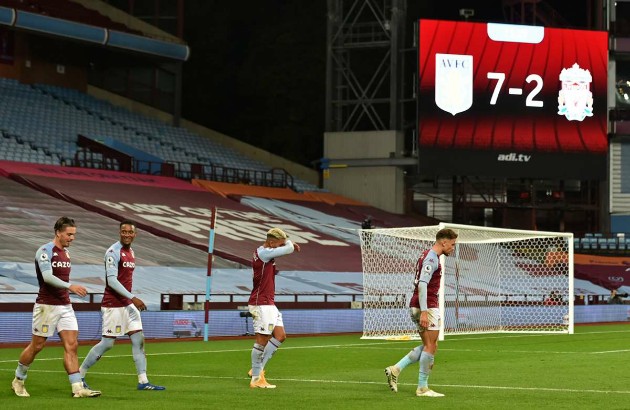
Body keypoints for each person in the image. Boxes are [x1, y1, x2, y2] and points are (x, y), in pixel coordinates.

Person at [11, 216, 101, 398]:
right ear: (58, 233)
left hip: (65, 306)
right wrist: (71, 286)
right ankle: (18, 380)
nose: (72, 238)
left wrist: (68, 291)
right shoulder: (45, 251)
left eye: (74, 235)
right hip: (46, 306)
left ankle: (77, 388)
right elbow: (47, 277)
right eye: (69, 234)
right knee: (37, 346)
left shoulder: (66, 253)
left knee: (72, 345)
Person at [79, 220, 165, 391]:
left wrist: (130, 300)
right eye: (124, 232)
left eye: (130, 232)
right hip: (113, 305)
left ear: (135, 234)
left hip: (127, 305)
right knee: (107, 344)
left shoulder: (131, 251)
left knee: (138, 340)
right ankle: (79, 375)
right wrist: (133, 297)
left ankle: (143, 381)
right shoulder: (113, 252)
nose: (127, 234)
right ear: (120, 233)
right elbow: (111, 281)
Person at [384, 228, 458, 398]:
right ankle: (422, 388)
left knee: (429, 345)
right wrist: (425, 312)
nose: (453, 248)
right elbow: (422, 285)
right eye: (452, 244)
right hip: (427, 305)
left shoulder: (426, 254)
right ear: (443, 242)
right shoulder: (431, 258)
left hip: (418, 304)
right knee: (431, 346)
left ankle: (395, 369)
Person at [248, 227, 301, 388]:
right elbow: (289, 248)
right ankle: (256, 379)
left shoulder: (265, 251)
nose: (280, 248)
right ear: (271, 242)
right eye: (278, 244)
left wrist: (286, 241)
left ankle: (256, 369)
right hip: (261, 303)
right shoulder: (264, 253)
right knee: (262, 339)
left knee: (280, 335)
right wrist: (289, 243)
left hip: (269, 303)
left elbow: (287, 248)